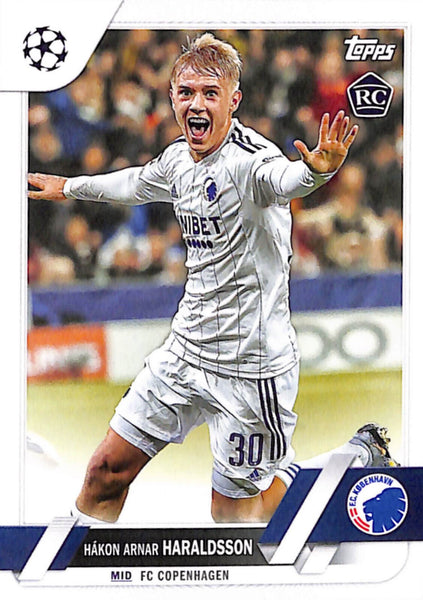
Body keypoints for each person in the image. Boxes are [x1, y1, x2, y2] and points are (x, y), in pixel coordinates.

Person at [28, 33, 398, 524]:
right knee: (104, 473)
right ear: (172, 98)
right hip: (185, 351)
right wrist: (70, 186)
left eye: (210, 93)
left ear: (233, 101)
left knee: (236, 520)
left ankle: (352, 458)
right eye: (186, 92)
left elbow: (284, 180)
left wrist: (314, 174)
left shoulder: (252, 161)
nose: (196, 104)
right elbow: (136, 183)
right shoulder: (179, 158)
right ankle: (76, 569)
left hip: (250, 367)